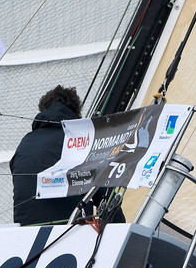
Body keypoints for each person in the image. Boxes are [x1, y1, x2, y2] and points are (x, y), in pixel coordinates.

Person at [9, 85, 126, 226]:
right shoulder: (78, 143)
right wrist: (120, 225)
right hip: (70, 232)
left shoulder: (24, 144)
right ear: (76, 113)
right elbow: (104, 194)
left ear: (42, 111)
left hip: (25, 234)